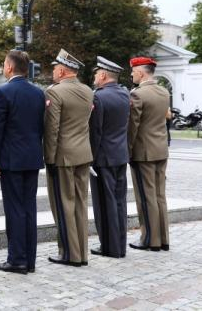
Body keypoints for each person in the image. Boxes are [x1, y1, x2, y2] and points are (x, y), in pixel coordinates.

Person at [0, 50, 45, 274]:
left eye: (4, 64)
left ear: (10, 67)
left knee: (14, 211)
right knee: (29, 209)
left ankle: (17, 259)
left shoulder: (3, 92)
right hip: (32, 158)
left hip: (11, 160)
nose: (3, 67)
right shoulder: (39, 93)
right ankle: (29, 259)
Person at [44, 49, 93, 267]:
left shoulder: (54, 92)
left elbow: (52, 129)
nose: (53, 71)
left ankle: (69, 253)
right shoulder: (87, 90)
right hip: (83, 153)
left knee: (64, 206)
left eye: (55, 68)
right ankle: (81, 252)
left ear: (63, 70)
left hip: (63, 156)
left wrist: (49, 159)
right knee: (81, 204)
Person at [127, 56, 171, 252]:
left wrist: (127, 151)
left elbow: (132, 127)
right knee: (160, 195)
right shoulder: (164, 92)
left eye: (133, 71)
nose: (131, 74)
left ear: (141, 72)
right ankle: (163, 239)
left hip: (143, 151)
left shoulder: (138, 94)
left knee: (146, 197)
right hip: (161, 149)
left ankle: (149, 239)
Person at [89, 56, 130, 258]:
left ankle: (109, 247)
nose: (95, 77)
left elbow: (95, 132)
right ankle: (120, 244)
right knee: (120, 202)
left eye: (97, 73)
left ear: (103, 75)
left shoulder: (99, 97)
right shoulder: (125, 94)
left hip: (103, 158)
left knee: (104, 205)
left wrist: (91, 157)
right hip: (120, 155)